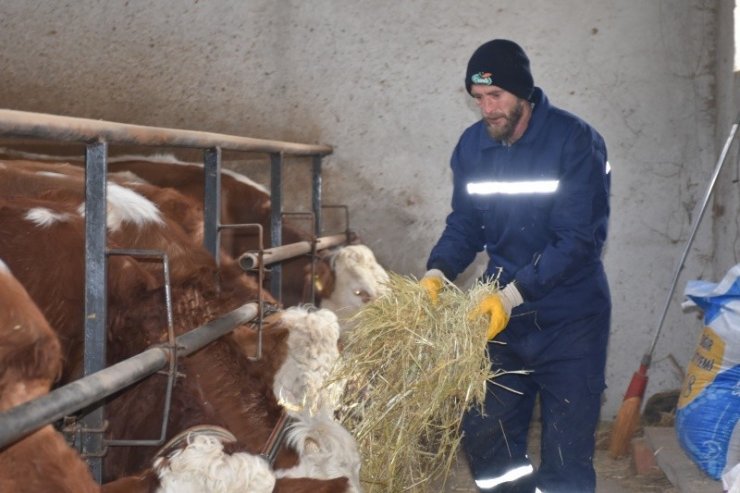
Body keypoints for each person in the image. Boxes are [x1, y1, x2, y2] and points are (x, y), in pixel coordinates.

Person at [420, 39, 611, 492]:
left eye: (496, 96)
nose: (487, 109)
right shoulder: (472, 147)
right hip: (499, 322)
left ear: (523, 92)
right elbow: (465, 225)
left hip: (569, 319)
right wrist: (437, 272)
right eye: (479, 99)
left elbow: (579, 240)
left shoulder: (574, 141)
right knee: (489, 441)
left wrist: (511, 294)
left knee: (566, 455)